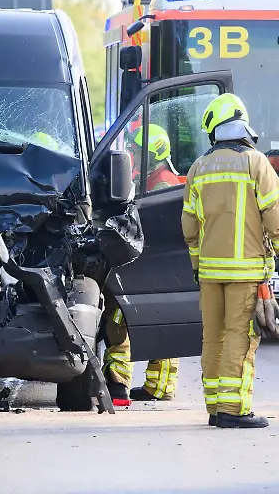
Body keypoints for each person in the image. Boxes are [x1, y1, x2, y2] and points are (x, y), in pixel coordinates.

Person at [181, 93, 279, 428]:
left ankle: (215, 408)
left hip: (210, 273)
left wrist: (197, 265)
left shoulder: (198, 167)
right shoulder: (255, 162)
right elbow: (275, 211)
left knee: (212, 335)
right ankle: (234, 410)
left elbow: (190, 225)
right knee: (240, 336)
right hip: (245, 271)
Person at [104, 124, 182, 402]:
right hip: (154, 264)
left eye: (137, 150)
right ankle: (135, 385)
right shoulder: (154, 180)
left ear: (151, 154)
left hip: (155, 266)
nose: (132, 155)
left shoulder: (162, 185)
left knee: (123, 319)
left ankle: (130, 384)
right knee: (130, 319)